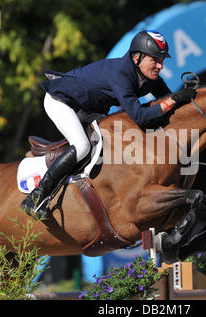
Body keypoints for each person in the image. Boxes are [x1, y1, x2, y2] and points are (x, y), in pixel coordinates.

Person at [21, 30, 197, 219]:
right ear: (137, 58)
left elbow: (169, 103)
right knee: (82, 146)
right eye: (155, 60)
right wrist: (173, 100)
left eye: (162, 60)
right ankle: (36, 197)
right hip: (61, 101)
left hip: (86, 110)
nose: (160, 66)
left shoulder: (150, 79)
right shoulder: (121, 74)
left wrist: (186, 98)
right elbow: (141, 116)